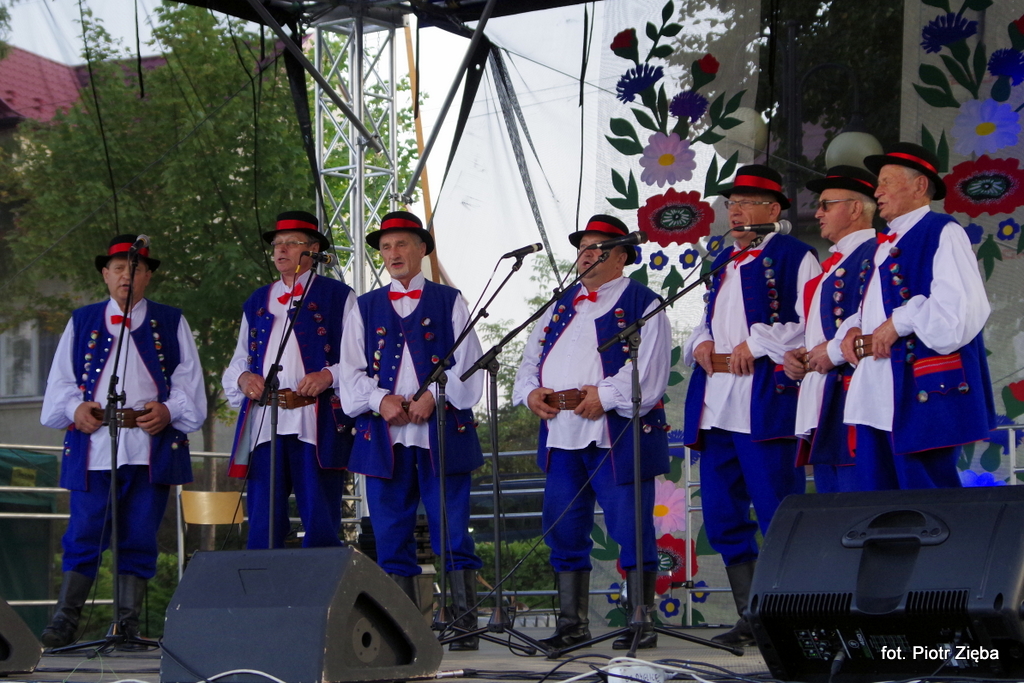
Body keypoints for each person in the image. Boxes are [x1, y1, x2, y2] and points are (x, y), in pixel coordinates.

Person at [513, 214, 672, 651]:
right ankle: (572, 625)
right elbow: (528, 362)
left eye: (597, 248)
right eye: (583, 247)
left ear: (622, 256)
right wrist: (529, 393)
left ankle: (641, 620)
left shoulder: (644, 302)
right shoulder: (559, 304)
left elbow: (651, 374)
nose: (586, 255)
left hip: (614, 435)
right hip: (561, 432)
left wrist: (604, 395)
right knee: (564, 529)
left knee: (631, 528)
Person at [39, 235, 206, 648]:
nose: (126, 277)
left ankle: (127, 625)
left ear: (148, 276)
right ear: (105, 275)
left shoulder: (171, 321)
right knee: (84, 532)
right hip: (95, 445)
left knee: (140, 535)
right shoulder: (82, 320)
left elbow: (189, 383)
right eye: (118, 269)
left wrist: (168, 410)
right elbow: (60, 383)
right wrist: (75, 407)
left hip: (149, 446)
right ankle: (63, 623)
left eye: (135, 269)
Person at [681, 165, 819, 647]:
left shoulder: (795, 255)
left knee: (779, 510)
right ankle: (752, 618)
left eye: (745, 202)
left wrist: (758, 343)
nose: (734, 210)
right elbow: (708, 318)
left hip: (763, 401)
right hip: (718, 404)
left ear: (773, 209)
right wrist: (701, 341)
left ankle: (792, 617)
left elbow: (811, 320)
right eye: (731, 203)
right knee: (722, 515)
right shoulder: (724, 259)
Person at [339, 210, 485, 651]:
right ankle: (403, 636)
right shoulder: (364, 306)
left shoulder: (449, 300)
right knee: (389, 536)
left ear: (422, 249)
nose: (393, 253)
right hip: (385, 439)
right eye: (386, 247)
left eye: (401, 243)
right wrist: (380, 400)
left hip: (440, 435)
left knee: (452, 531)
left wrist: (434, 396)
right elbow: (350, 373)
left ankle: (464, 626)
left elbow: (470, 366)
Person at [839, 143, 995, 490]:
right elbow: (873, 307)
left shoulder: (942, 230)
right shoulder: (882, 244)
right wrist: (852, 330)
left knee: (925, 499)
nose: (877, 192)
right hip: (876, 390)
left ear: (919, 185)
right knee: (879, 503)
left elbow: (960, 312)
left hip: (921, 391)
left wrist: (899, 321)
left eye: (886, 182)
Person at [223, 211, 355, 548]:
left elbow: (359, 360)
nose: (281, 250)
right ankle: (263, 580)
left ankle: (321, 581)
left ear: (313, 249)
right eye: (277, 244)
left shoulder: (339, 296)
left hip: (314, 421)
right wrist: (243, 378)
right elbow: (239, 359)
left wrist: (328, 375)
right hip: (265, 421)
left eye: (291, 243)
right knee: (263, 522)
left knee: (320, 519)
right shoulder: (257, 300)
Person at [781, 166, 879, 493]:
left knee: (859, 502)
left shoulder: (875, 254)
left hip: (853, 398)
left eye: (826, 204)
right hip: (826, 400)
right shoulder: (830, 267)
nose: (818, 213)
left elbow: (874, 324)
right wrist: (799, 356)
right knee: (833, 506)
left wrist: (831, 352)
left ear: (855, 208)